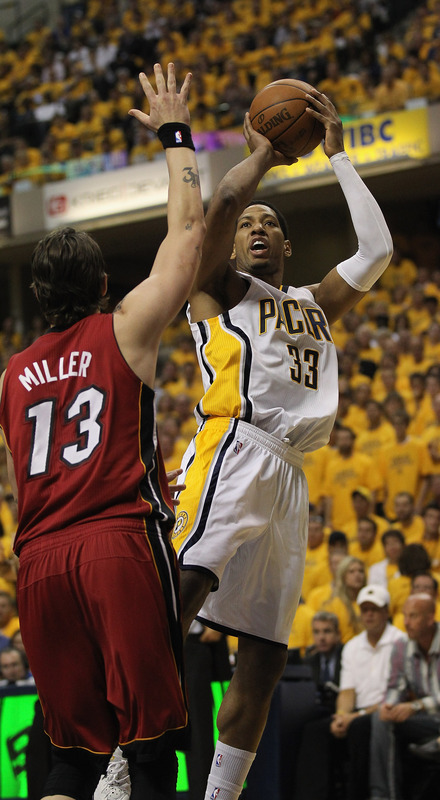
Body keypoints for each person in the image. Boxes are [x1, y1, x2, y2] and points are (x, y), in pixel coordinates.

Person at [172, 87, 393, 800]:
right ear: (235, 243)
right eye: (251, 224)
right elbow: (220, 212)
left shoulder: (313, 303)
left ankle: (219, 795)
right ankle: (120, 759)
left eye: (273, 224)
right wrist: (261, 159)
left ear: (290, 245)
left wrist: (338, 156)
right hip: (233, 447)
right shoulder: (217, 289)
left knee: (264, 656)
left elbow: (379, 248)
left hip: (292, 473)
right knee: (176, 599)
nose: (259, 228)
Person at [0, 63, 205, 800]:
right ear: (101, 288)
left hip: (38, 564)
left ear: (36, 295)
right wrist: (176, 133)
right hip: (114, 544)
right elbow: (188, 231)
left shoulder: (10, 374)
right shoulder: (125, 329)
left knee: (72, 761)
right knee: (151, 752)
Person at [330, 584, 406, 800]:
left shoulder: (400, 642)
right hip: (358, 712)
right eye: (365, 609)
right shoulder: (352, 646)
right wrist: (342, 716)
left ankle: (364, 795)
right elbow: (346, 691)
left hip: (387, 709)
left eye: (374, 609)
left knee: (361, 727)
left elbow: (395, 694)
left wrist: (354, 717)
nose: (369, 614)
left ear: (386, 612)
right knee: (315, 729)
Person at [370, 593, 440, 800]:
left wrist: (416, 706)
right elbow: (395, 687)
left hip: (429, 712)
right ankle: (383, 795)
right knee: (381, 719)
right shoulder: (401, 646)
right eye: (404, 616)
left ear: (430, 618)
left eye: (413, 616)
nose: (406, 622)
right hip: (427, 719)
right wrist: (389, 706)